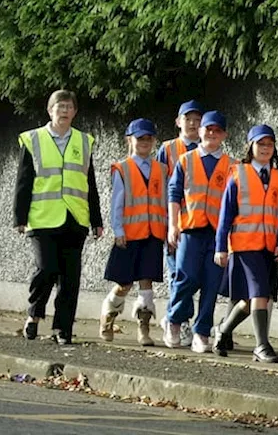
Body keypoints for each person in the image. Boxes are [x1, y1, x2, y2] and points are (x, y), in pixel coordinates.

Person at [14, 89, 102, 344]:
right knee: (46, 268)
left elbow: (90, 183)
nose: (64, 110)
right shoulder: (33, 139)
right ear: (49, 110)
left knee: (70, 277)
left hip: (75, 218)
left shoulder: (84, 141)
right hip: (42, 218)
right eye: (59, 106)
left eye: (68, 106)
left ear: (75, 112)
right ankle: (34, 315)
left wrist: (96, 220)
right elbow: (23, 180)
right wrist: (19, 217)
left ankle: (63, 329)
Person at [213, 124, 278, 363]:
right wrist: (220, 247)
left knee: (251, 298)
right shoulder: (238, 174)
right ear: (251, 146)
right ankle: (261, 345)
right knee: (259, 294)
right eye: (260, 144)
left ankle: (223, 330)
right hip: (245, 245)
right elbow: (225, 214)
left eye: (269, 144)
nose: (265, 149)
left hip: (269, 246)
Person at [165, 110, 233, 352]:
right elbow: (173, 194)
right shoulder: (186, 160)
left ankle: (201, 332)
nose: (212, 134)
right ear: (200, 130)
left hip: (217, 233)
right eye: (208, 129)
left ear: (224, 134)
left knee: (211, 283)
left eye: (217, 130)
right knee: (186, 277)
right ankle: (174, 320)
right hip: (191, 229)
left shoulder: (231, 166)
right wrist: (173, 225)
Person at [100, 119, 166, 346]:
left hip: (153, 233)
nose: (144, 142)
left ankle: (143, 327)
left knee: (147, 282)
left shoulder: (162, 169)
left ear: (154, 141)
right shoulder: (122, 168)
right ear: (130, 140)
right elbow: (116, 202)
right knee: (124, 283)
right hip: (129, 234)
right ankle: (108, 313)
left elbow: (164, 202)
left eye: (148, 138)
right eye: (140, 138)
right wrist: (117, 229)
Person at [157, 99, 203, 345]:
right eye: (188, 119)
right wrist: (166, 223)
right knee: (179, 273)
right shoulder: (168, 149)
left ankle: (177, 318)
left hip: (198, 223)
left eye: (197, 120)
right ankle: (178, 321)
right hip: (176, 222)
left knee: (193, 276)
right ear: (178, 122)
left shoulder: (207, 149)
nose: (193, 124)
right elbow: (160, 186)